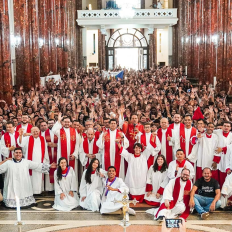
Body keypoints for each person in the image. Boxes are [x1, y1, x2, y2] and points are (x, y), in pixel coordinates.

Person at [117, 138, 159, 203]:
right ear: (134, 149)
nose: (137, 149)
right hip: (132, 178)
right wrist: (118, 143)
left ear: (141, 149)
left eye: (139, 148)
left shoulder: (144, 155)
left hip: (142, 178)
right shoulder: (130, 156)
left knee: (142, 188)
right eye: (136, 148)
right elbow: (123, 151)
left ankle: (142, 199)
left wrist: (153, 138)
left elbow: (149, 147)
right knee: (132, 188)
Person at [18, 127, 49, 194]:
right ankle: (30, 191)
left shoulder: (42, 138)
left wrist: (45, 158)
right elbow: (21, 143)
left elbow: (45, 149)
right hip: (30, 160)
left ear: (39, 131)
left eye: (37, 131)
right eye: (33, 131)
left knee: (39, 175)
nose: (35, 133)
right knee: (31, 176)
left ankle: (38, 191)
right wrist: (20, 135)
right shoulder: (28, 138)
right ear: (31, 132)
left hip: (40, 160)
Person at [52, 113, 80, 180]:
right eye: (65, 122)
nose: (67, 123)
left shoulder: (74, 131)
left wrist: (74, 154)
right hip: (62, 155)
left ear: (70, 123)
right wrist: (58, 120)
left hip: (71, 156)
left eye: (68, 122)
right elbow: (53, 130)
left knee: (72, 172)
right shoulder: (59, 131)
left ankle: (73, 189)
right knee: (62, 170)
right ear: (62, 123)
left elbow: (77, 144)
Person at [214, 121, 232, 186]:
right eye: (224, 126)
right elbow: (209, 131)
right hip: (218, 156)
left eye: (228, 126)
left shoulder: (231, 135)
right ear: (222, 127)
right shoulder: (218, 132)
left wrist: (222, 148)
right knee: (218, 174)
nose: (226, 127)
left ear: (230, 128)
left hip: (228, 157)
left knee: (226, 174)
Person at [44, 119, 58, 191]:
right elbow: (41, 142)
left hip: (57, 152)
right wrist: (47, 144)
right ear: (47, 124)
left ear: (55, 123)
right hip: (48, 153)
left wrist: (56, 144)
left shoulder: (57, 132)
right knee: (49, 167)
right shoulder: (44, 133)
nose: (51, 125)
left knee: (56, 168)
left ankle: (56, 187)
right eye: (49, 123)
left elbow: (62, 142)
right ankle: (49, 188)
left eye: (52, 123)